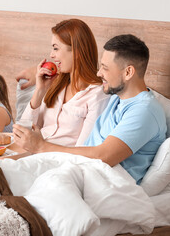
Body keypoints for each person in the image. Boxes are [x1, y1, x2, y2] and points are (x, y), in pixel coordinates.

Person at [13, 34, 167, 184]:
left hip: (105, 184)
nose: (99, 73)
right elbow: (82, 74)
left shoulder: (144, 111)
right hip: (81, 172)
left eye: (105, 68)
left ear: (128, 72)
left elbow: (104, 155)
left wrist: (41, 147)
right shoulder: (116, 97)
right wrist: (37, 72)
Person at [17, 19, 111, 147]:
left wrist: (41, 147)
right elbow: (23, 132)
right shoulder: (55, 84)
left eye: (56, 49)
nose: (52, 55)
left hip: (59, 160)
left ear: (77, 52)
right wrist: (39, 91)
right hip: (30, 152)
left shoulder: (98, 95)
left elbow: (83, 150)